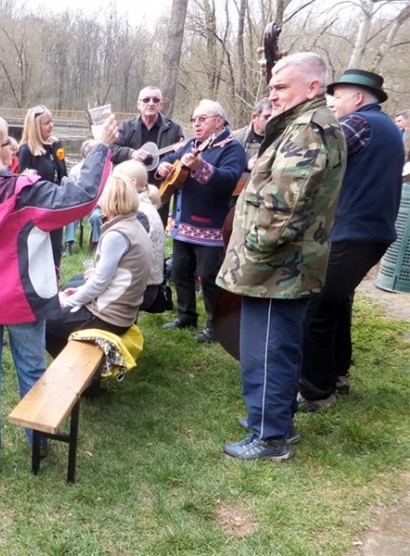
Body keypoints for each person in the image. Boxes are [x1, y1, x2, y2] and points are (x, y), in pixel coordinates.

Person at [0, 113, 118, 477]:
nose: (12, 147)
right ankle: (39, 444)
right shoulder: (25, 193)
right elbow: (82, 198)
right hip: (22, 300)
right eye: (7, 141)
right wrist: (100, 147)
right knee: (32, 371)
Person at [217, 52, 346, 461]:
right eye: (271, 86)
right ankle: (275, 420)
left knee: (268, 350)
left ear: (312, 87)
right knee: (277, 346)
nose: (272, 94)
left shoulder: (309, 129)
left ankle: (269, 437)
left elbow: (286, 205)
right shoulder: (307, 122)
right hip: (283, 263)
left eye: (281, 87)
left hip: (277, 267)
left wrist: (254, 250)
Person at [298, 69, 404, 410]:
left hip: (353, 234)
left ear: (358, 97)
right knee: (337, 304)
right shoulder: (385, 127)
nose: (333, 103)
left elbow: (316, 154)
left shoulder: (360, 123)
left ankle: (316, 393)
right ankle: (338, 375)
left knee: (316, 310)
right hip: (370, 234)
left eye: (338, 96)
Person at [155, 100, 246, 343]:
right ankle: (186, 316)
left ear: (218, 121)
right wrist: (164, 167)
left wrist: (200, 166)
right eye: (194, 119)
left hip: (210, 227)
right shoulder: (191, 144)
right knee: (180, 272)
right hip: (182, 224)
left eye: (202, 119)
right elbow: (171, 158)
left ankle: (216, 327)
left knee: (209, 278)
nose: (196, 124)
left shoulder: (232, 148)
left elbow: (228, 180)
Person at [45, 173, 152, 357]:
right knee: (70, 292)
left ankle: (77, 369)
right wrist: (79, 292)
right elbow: (115, 277)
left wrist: (68, 303)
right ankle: (78, 363)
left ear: (110, 198)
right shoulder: (134, 225)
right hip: (124, 312)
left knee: (47, 322)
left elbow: (99, 283)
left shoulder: (117, 234)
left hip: (109, 318)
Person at [111, 86, 185, 226]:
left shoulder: (174, 129)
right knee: (128, 227)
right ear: (138, 104)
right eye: (146, 100)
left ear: (161, 105)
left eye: (155, 100)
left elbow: (180, 160)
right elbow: (111, 151)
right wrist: (132, 153)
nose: (151, 103)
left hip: (160, 188)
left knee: (156, 226)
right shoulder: (126, 127)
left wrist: (174, 160)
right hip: (130, 187)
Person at [18, 106, 70, 268]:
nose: (51, 125)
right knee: (39, 252)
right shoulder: (26, 150)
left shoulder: (56, 144)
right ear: (35, 127)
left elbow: (63, 173)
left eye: (52, 121)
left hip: (56, 206)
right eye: (46, 123)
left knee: (56, 248)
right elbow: (23, 185)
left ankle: (55, 278)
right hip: (38, 210)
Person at [112, 160, 165, 306]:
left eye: (117, 181)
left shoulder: (138, 214)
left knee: (75, 285)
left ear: (133, 182)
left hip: (140, 288)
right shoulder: (147, 205)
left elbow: (122, 255)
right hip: (148, 284)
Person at [232, 98, 272, 182]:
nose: (270, 120)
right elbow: (225, 167)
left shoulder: (281, 138)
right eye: (266, 117)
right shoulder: (236, 138)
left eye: (273, 117)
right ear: (254, 117)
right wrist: (246, 164)